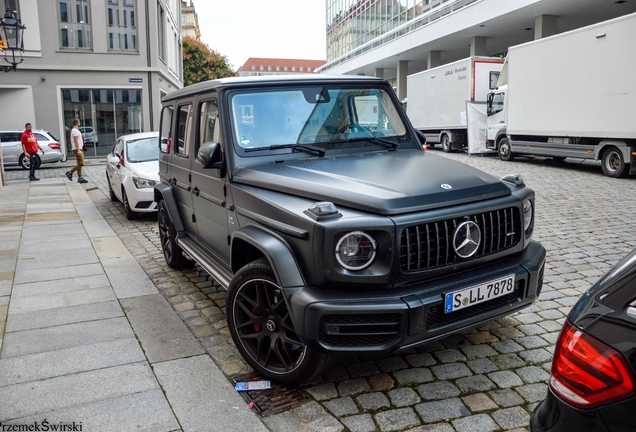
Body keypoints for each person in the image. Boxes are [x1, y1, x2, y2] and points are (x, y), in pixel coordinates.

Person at [66, 118, 88, 183]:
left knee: (79, 163)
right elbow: (76, 140)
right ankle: (70, 172)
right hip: (77, 149)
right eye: (79, 122)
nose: (79, 123)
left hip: (78, 148)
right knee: (81, 163)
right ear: (78, 123)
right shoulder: (75, 131)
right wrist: (78, 150)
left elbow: (77, 139)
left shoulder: (76, 131)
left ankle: (80, 177)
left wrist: (82, 137)